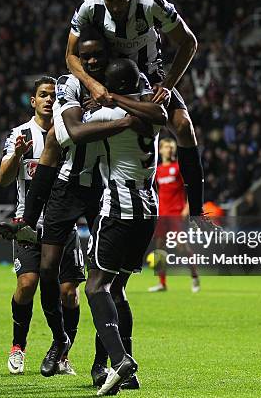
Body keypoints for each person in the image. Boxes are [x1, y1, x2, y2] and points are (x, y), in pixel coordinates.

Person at [0, 26, 152, 382]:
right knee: (47, 270)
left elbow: (151, 114)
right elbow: (68, 130)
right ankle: (59, 340)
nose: (93, 61)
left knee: (109, 285)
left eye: (98, 55)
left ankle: (104, 363)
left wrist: (117, 103)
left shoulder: (124, 80)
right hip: (67, 185)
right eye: (86, 56)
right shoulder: (68, 85)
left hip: (104, 188)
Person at [66, 0, 206, 219]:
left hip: (150, 77)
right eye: (110, 0)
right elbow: (70, 55)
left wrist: (167, 85)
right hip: (106, 79)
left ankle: (197, 210)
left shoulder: (152, 4)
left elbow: (189, 42)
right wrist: (93, 85)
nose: (116, 6)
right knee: (68, 134)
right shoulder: (88, 6)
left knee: (184, 127)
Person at [84, 58, 166, 396]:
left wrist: (98, 101)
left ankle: (119, 361)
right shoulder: (150, 111)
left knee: (94, 287)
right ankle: (125, 370)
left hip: (119, 210)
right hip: (148, 211)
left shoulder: (108, 115)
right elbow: (156, 114)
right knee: (117, 290)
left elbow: (74, 131)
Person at [0, 76, 85, 376]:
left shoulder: (71, 130)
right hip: (30, 226)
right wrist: (18, 155)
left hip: (64, 226)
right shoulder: (21, 134)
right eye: (43, 95)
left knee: (69, 293)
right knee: (26, 284)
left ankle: (62, 352)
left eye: (53, 95)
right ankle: (18, 347)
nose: (48, 100)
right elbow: (3, 178)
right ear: (33, 101)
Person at [149, 138, 200, 293]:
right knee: (159, 248)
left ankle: (194, 276)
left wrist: (188, 207)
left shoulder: (178, 168)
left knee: (181, 246)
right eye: (166, 147)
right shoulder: (156, 171)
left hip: (176, 214)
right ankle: (162, 282)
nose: (169, 149)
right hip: (162, 214)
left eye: (171, 147)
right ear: (160, 150)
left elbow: (192, 187)